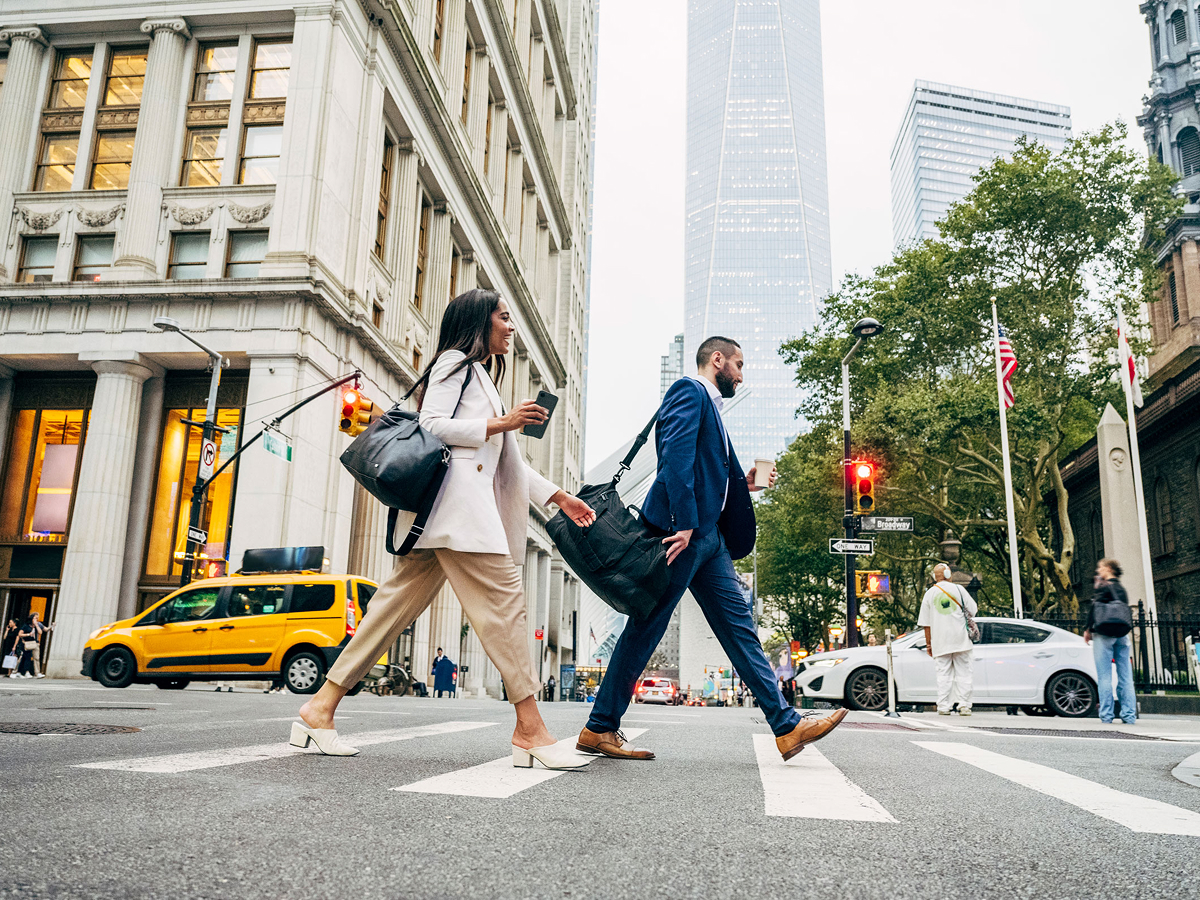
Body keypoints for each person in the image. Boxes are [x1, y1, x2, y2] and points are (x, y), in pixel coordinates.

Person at [295, 290, 597, 769]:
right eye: (502, 317)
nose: (510, 327)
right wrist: (503, 421)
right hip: (458, 516)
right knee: (505, 609)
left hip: (444, 520)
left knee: (387, 613)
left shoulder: (477, 373)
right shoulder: (455, 361)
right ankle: (531, 730)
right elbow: (433, 425)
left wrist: (556, 495)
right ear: (479, 321)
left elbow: (505, 462)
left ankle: (319, 708)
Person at [576, 336, 847, 762]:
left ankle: (787, 726)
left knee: (739, 628)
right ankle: (600, 727)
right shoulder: (689, 390)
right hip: (683, 535)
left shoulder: (713, 409)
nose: (740, 373)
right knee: (647, 626)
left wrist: (749, 484)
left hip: (709, 538)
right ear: (716, 360)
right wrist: (683, 524)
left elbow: (708, 473)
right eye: (738, 364)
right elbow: (675, 460)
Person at [917, 563, 977, 716]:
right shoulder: (959, 590)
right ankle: (964, 705)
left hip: (940, 641)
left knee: (943, 674)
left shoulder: (929, 594)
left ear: (934, 576)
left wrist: (929, 644)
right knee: (964, 673)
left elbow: (926, 623)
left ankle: (944, 706)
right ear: (948, 574)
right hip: (961, 639)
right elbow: (973, 610)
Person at [1084, 558, 1136, 725]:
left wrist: (1087, 629)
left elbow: (1094, 608)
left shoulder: (1104, 587)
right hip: (1121, 633)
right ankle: (1128, 715)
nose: (1098, 571)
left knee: (1105, 676)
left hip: (1104, 633)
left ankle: (1107, 715)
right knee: (1126, 676)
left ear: (1108, 569)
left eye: (1100, 568)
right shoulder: (1121, 589)